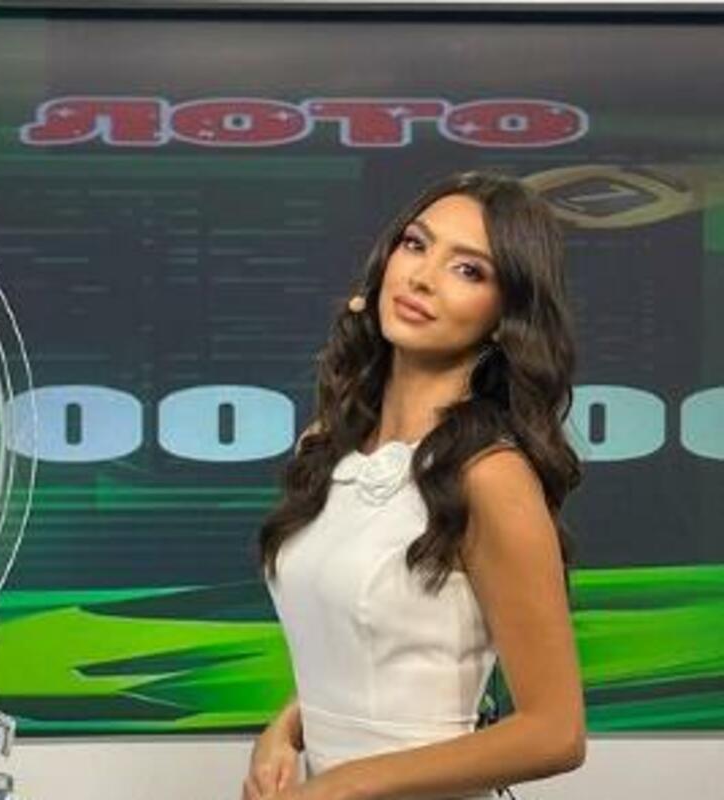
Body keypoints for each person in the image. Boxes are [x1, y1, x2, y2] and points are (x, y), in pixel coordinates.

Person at [244, 171, 587, 800]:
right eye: (416, 244)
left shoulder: (490, 474)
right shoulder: (327, 444)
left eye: (469, 270)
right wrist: (286, 728)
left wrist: (344, 785)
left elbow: (555, 732)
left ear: (504, 316)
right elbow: (364, 643)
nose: (424, 277)